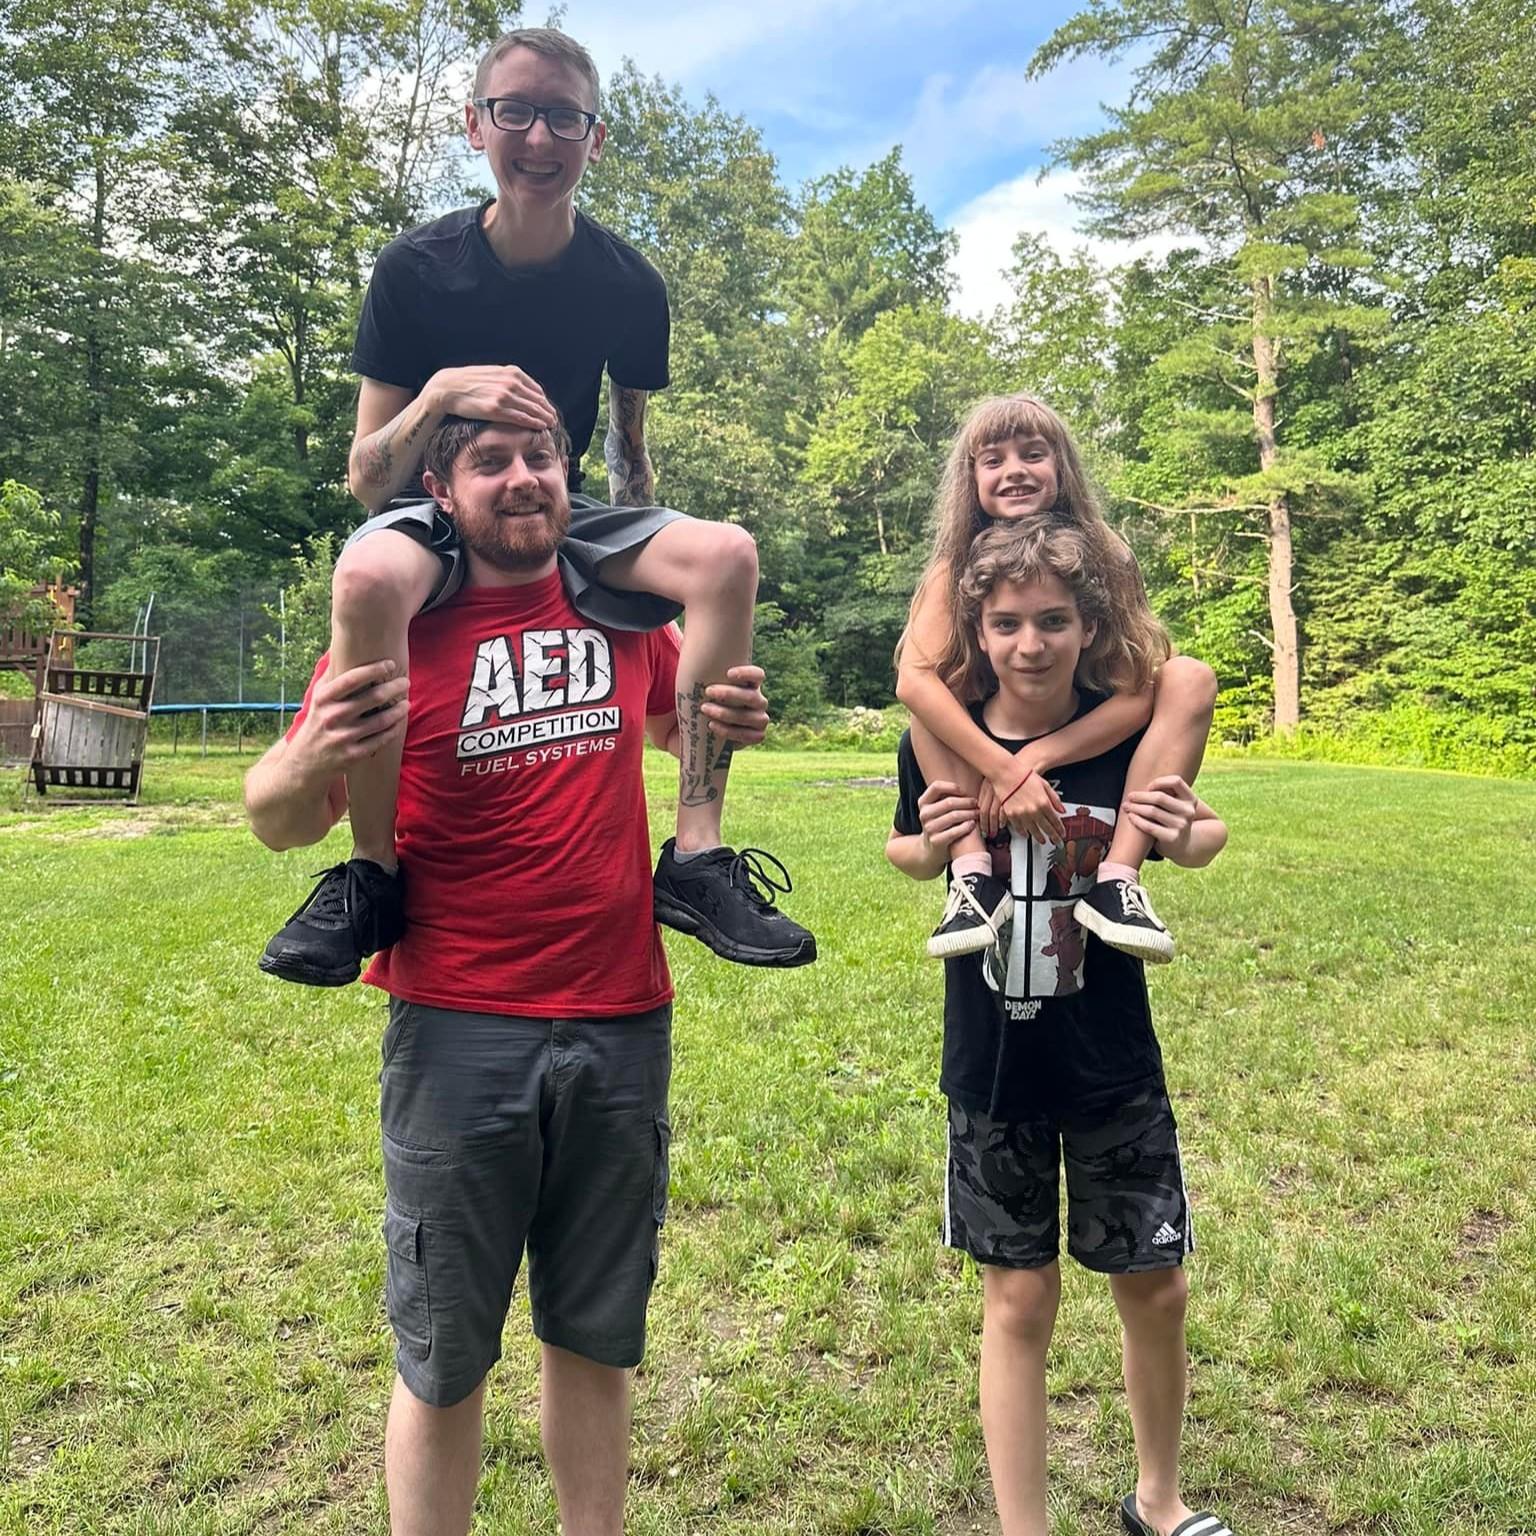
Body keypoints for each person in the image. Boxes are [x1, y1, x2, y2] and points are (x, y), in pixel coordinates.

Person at [245, 411, 784, 1536]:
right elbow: (278, 819)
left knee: (594, 1338)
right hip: (457, 1027)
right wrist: (306, 757)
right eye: (490, 462)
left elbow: (684, 724)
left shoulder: (620, 610)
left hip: (621, 1016)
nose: (524, 478)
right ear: (440, 493)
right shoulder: (399, 624)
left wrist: (728, 719)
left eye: (541, 457)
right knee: (444, 1356)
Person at [258, 25, 814, 987]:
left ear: (596, 136)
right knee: (366, 570)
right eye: (515, 111)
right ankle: (373, 873)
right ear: (475, 124)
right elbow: (367, 478)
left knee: (726, 552)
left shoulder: (628, 284)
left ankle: (696, 856)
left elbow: (630, 457)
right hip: (433, 502)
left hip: (558, 498)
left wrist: (643, 587)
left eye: (563, 115)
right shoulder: (415, 269)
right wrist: (442, 392)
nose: (540, 137)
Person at [885, 521, 1233, 1536]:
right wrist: (932, 849)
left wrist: (1192, 837)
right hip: (994, 1062)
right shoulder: (946, 738)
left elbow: (1198, 830)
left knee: (1155, 1287)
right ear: (977, 633)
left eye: (1052, 621)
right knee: (1018, 1300)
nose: (1030, 644)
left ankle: (1158, 1500)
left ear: (1089, 629)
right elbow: (905, 849)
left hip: (1111, 1056)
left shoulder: (1126, 736)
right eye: (1006, 624)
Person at [896, 393, 1218, 966]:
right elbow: (913, 683)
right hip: (991, 729)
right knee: (931, 697)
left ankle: (1118, 881)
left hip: (1080, 716)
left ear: (1062, 465)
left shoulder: (1107, 554)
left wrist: (1031, 761)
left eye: (1033, 453)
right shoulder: (954, 566)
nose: (1014, 470)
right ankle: (971, 877)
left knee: (1189, 675)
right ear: (971, 477)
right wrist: (1001, 769)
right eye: (993, 459)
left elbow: (1141, 689)